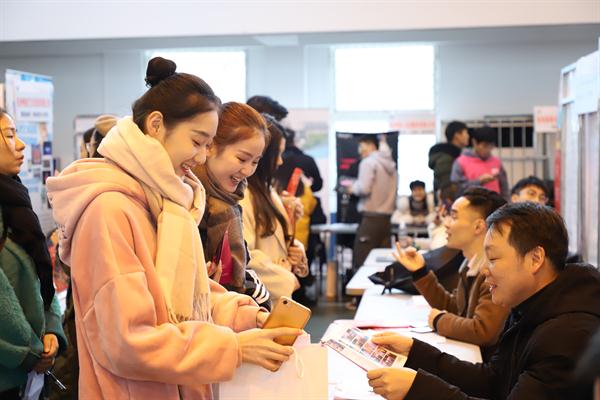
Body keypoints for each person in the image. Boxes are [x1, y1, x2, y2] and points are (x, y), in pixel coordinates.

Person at [46, 57, 301, 400]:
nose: (202, 157)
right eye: (197, 141)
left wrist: (246, 318)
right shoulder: (108, 209)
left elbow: (188, 296)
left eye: (208, 145)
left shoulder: (168, 201)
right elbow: (126, 341)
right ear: (156, 125)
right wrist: (233, 348)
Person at [368, 203, 600, 399]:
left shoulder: (567, 335)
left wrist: (418, 388)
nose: (484, 270)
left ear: (535, 259)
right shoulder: (529, 308)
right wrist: (415, 351)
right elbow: (493, 380)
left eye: (494, 259)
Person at [0, 108, 68, 398]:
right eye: (9, 135)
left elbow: (41, 275)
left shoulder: (16, 200)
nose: (21, 145)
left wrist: (52, 329)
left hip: (30, 374)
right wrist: (29, 351)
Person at [394, 187, 509, 354]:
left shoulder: (493, 271)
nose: (446, 223)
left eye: (454, 217)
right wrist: (420, 271)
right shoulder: (470, 263)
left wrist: (439, 320)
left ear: (478, 226)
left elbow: (483, 331)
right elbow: (455, 308)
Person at [193, 102, 272, 309]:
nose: (248, 171)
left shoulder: (228, 201)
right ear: (210, 146)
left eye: (255, 162)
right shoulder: (190, 201)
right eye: (242, 158)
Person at [240, 115, 309, 303]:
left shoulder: (267, 190)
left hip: (274, 296)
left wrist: (294, 248)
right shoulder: (245, 195)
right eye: (277, 154)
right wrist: (284, 278)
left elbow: (275, 239)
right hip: (262, 299)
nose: (280, 162)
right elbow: (245, 255)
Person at [347, 134, 398, 272]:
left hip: (370, 220)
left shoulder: (368, 163)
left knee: (362, 264)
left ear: (371, 145)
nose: (359, 150)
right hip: (386, 221)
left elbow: (364, 188)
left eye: (361, 146)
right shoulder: (391, 165)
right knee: (383, 267)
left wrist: (352, 187)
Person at [451, 125, 509, 199]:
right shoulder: (461, 162)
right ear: (474, 142)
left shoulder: (497, 162)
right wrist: (479, 181)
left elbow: (504, 189)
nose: (488, 150)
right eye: (485, 146)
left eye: (491, 146)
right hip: (470, 205)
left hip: (495, 205)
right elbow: (456, 190)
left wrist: (507, 203)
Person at [428, 121, 470, 203]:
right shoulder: (446, 157)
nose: (468, 136)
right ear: (457, 135)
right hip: (451, 203)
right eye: (466, 133)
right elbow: (446, 186)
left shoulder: (454, 155)